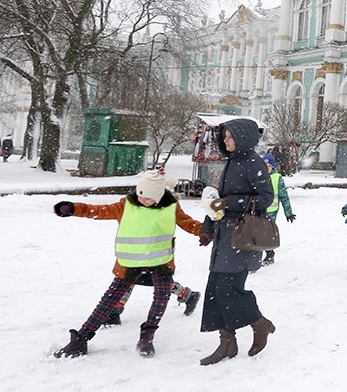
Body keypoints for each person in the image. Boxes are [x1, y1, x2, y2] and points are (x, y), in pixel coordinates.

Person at [52, 168, 202, 358]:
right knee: (108, 300)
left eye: (147, 198)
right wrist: (74, 208)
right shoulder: (127, 204)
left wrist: (206, 231)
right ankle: (81, 339)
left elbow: (189, 224)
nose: (142, 200)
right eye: (140, 195)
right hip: (129, 264)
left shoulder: (171, 207)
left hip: (160, 263)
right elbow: (100, 211)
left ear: (158, 196)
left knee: (161, 298)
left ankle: (147, 336)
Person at [199, 118, 276, 366]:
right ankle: (227, 343)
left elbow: (265, 198)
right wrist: (208, 228)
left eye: (231, 136)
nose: (226, 140)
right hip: (224, 236)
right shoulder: (231, 162)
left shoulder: (254, 163)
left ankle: (259, 323)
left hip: (243, 237)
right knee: (215, 291)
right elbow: (217, 199)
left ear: (244, 138)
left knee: (228, 289)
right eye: (225, 136)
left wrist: (229, 203)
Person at [261, 152, 295, 267]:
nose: (267, 168)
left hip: (271, 210)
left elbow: (284, 196)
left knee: (266, 233)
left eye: (269, 166)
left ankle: (269, 254)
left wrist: (288, 212)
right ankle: (256, 255)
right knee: (256, 231)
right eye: (264, 165)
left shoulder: (277, 178)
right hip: (259, 209)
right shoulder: (258, 176)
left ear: (273, 166)